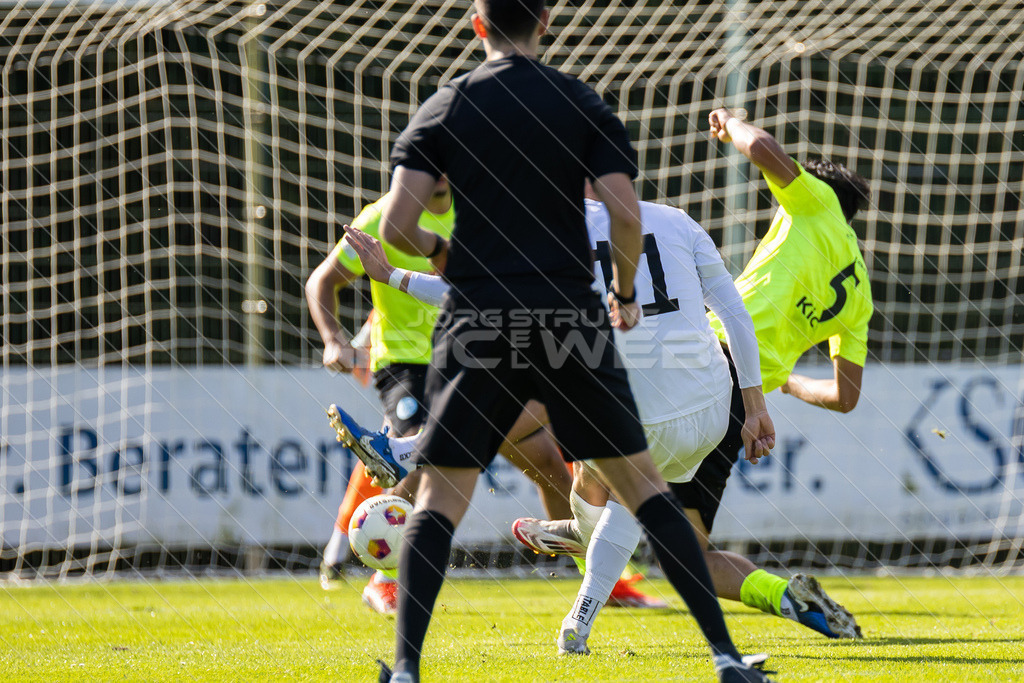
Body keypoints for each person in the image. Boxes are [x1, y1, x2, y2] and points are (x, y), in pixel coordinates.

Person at [370, 2, 774, 681]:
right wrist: (620, 293)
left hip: (483, 320)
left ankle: (407, 669)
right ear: (547, 21)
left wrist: (452, 256)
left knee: (440, 498)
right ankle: (726, 658)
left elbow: (399, 226)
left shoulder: (445, 107)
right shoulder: (579, 103)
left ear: (477, 24)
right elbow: (623, 214)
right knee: (646, 489)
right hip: (568, 319)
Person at [340, 188, 776, 656]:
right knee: (621, 492)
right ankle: (579, 618)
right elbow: (735, 316)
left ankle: (413, 451)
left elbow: (469, 294)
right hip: (711, 408)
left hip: (629, 417)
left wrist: (391, 276)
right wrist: (755, 407)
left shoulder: (553, 233)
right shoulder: (677, 221)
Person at [305, 178, 572, 614]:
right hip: (406, 365)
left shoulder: (482, 209)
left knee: (549, 464)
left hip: (474, 356)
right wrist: (333, 338)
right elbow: (321, 282)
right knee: (436, 472)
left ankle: (597, 577)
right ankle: (384, 578)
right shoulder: (381, 216)